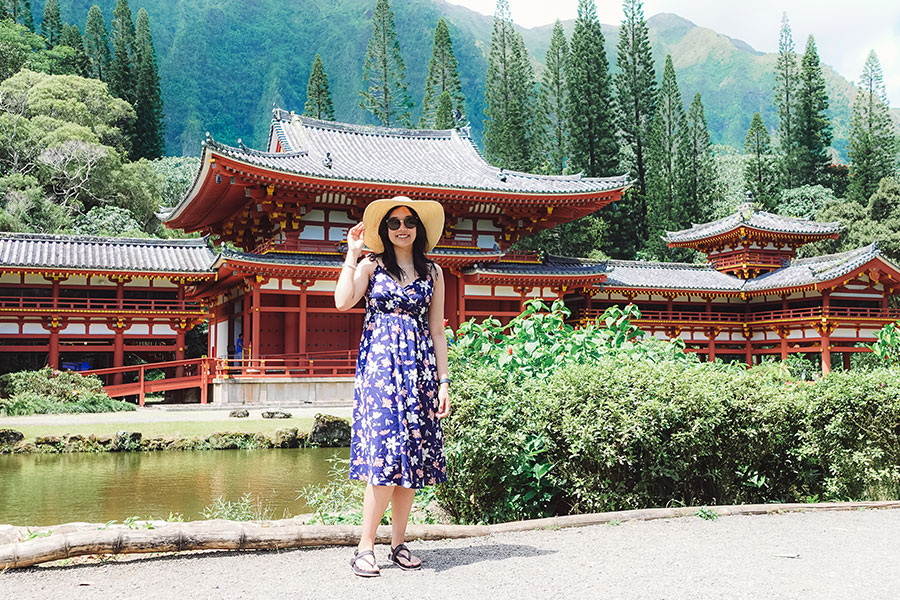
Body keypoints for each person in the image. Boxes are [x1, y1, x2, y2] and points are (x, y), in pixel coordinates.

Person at [334, 196, 451, 577]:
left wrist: (444, 382)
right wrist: (352, 254)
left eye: (409, 221)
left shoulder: (433, 272)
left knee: (412, 457)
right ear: (384, 230)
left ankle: (398, 543)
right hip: (380, 370)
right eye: (394, 222)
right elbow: (342, 301)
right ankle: (364, 547)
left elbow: (437, 330)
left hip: (419, 371)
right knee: (385, 456)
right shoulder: (372, 265)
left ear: (419, 228)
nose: (402, 228)